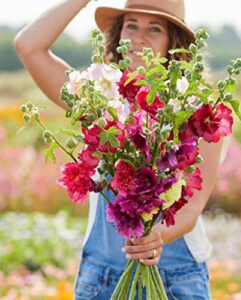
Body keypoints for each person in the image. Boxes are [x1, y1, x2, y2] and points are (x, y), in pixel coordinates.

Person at [14, 0, 224, 299]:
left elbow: (192, 208)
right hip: (104, 277)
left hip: (176, 278)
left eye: (154, 28)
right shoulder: (98, 100)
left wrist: (155, 238)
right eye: (131, 25)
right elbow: (28, 45)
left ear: (173, 42)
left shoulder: (196, 109)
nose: (139, 37)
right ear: (118, 35)